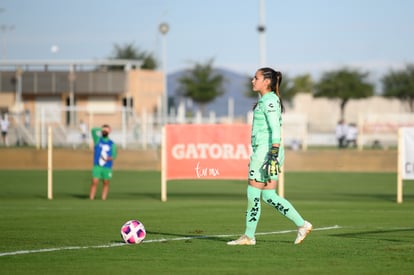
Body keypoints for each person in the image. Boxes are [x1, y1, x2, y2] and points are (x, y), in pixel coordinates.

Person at [227, 68, 312, 246]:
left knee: (253, 192)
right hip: (269, 151)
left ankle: (249, 236)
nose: (252, 80)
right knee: (269, 195)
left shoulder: (269, 101)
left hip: (265, 152)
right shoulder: (267, 100)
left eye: (256, 78)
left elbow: (275, 129)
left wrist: (272, 153)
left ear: (266, 81)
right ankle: (302, 225)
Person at [90, 124, 117, 200]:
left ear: (109, 131)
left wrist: (107, 158)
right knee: (94, 182)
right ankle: (91, 198)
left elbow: (114, 156)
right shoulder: (97, 140)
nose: (105, 131)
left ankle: (103, 198)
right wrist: (102, 128)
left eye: (106, 130)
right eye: (103, 130)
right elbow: (93, 130)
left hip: (107, 166)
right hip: (97, 165)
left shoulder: (112, 143)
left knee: (106, 182)